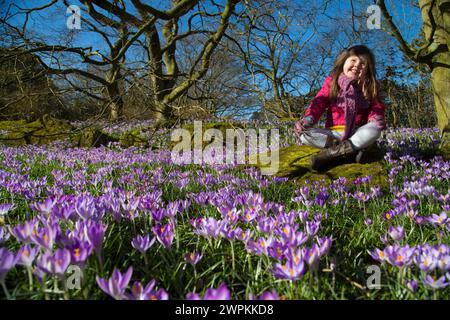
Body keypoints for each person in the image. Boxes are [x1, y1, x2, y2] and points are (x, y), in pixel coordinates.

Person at [295, 45, 387, 170]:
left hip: (356, 133)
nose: (357, 65)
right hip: (333, 134)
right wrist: (309, 119)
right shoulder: (332, 82)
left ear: (368, 69)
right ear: (344, 61)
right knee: (304, 135)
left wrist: (375, 117)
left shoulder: (370, 87)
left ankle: (330, 155)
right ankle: (350, 153)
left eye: (363, 63)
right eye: (353, 60)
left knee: (375, 130)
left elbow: (376, 107)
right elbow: (319, 102)